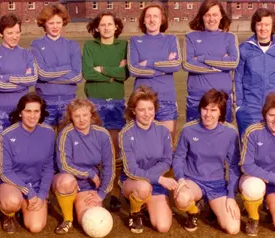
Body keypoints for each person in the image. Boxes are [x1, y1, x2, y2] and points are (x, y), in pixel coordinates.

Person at [173, 89, 240, 234]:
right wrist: (180, 178)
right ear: (200, 109)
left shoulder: (230, 133)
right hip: (193, 181)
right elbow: (178, 157)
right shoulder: (188, 130)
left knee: (233, 228)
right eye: (205, 109)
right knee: (182, 199)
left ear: (221, 112)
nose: (208, 114)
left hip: (217, 184)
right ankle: (193, 211)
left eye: (213, 110)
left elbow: (234, 166)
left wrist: (231, 196)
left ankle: (210, 205)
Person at [83, 11, 129, 211]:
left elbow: (126, 73)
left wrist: (102, 70)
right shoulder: (90, 46)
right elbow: (87, 72)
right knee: (94, 148)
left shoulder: (124, 46)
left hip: (116, 102)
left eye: (110, 24)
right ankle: (94, 188)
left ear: (116, 27)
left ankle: (115, 192)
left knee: (113, 148)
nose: (107, 28)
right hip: (94, 101)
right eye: (103, 25)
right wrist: (113, 73)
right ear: (97, 27)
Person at [119, 85, 177, 233]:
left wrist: (152, 177)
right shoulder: (126, 133)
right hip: (133, 182)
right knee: (143, 187)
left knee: (163, 227)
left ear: (155, 109)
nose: (147, 114)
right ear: (133, 111)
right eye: (142, 109)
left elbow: (167, 160)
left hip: (155, 181)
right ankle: (135, 212)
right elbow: (131, 170)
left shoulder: (163, 131)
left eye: (150, 109)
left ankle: (147, 205)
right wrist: (159, 179)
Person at [52, 99, 115, 234]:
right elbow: (64, 165)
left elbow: (109, 166)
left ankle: (76, 206)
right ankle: (67, 218)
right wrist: (89, 174)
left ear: (91, 115)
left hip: (89, 185)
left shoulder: (102, 134)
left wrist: (101, 194)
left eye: (85, 115)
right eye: (77, 116)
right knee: (66, 180)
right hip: (69, 180)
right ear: (71, 117)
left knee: (89, 220)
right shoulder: (66, 134)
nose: (81, 119)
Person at [0, 92, 54, 234]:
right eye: (28, 111)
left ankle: (24, 208)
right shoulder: (7, 135)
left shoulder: (48, 133)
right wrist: (29, 192)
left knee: (35, 227)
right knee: (11, 202)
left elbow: (48, 167)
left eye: (36, 111)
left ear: (41, 113)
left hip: (35, 186)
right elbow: (4, 171)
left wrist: (41, 195)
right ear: (20, 113)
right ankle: (8, 215)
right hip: (12, 184)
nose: (32, 115)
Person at [128, 3, 181, 141]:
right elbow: (133, 69)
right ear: (143, 20)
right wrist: (163, 65)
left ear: (162, 19)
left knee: (167, 144)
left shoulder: (171, 40)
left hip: (166, 98)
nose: (152, 20)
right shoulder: (134, 41)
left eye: (155, 16)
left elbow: (175, 65)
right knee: (142, 144)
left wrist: (147, 63)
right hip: (141, 100)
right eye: (148, 16)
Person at [183, 0, 239, 123]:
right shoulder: (191, 37)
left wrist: (202, 58)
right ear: (202, 16)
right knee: (195, 138)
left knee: (222, 138)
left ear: (221, 16)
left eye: (215, 14)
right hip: (196, 98)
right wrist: (220, 64)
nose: (211, 19)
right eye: (207, 15)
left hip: (222, 98)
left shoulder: (229, 37)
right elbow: (187, 64)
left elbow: (233, 62)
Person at [30, 3, 82, 128]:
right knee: (45, 140)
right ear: (44, 23)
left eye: (58, 22)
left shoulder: (72, 45)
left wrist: (50, 78)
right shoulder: (36, 45)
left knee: (66, 140)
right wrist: (66, 68)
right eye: (51, 23)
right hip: (45, 100)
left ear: (63, 22)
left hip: (69, 101)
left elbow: (77, 76)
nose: (55, 26)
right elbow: (42, 74)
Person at [0, 13, 37, 134]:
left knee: (21, 150)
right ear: (1, 33)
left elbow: (32, 79)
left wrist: (7, 77)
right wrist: (22, 84)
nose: (14, 37)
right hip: (0, 112)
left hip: (22, 111)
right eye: (10, 33)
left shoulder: (27, 53)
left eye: (17, 32)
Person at [238, 92, 275, 236]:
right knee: (253, 187)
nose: (274, 119)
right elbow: (246, 166)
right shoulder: (253, 131)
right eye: (271, 115)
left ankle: (268, 206)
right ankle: (253, 217)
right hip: (254, 177)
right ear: (265, 114)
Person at [235, 8, 275, 136]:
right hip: (249, 109)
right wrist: (239, 107)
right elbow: (238, 78)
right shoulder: (244, 49)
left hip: (273, 108)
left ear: (272, 26)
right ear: (254, 26)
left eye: (267, 24)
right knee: (249, 149)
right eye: (259, 24)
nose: (263, 28)